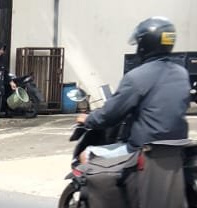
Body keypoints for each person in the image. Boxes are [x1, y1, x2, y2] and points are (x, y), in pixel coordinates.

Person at [76, 17, 190, 161]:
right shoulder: (182, 73)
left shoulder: (136, 77)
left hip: (143, 150)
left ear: (145, 45)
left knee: (86, 155)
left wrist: (89, 119)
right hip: (175, 149)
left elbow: (110, 115)